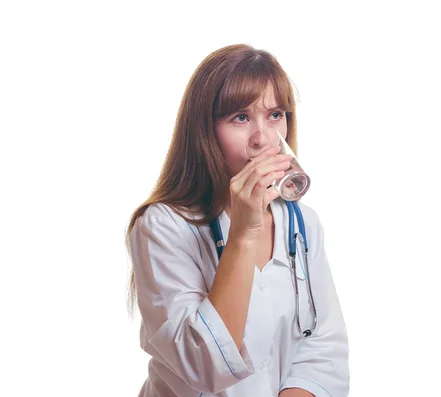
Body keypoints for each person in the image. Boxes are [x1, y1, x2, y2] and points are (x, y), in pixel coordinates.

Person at [125, 44, 350, 397]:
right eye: (240, 118)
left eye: (275, 115)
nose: (264, 139)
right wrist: (244, 234)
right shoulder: (162, 226)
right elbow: (202, 366)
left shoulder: (303, 224)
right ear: (204, 133)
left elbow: (323, 351)